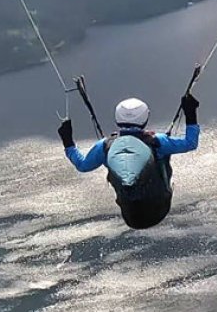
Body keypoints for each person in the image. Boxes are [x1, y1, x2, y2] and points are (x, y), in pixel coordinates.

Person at [58, 93, 199, 229]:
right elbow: (190, 143)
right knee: (160, 157)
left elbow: (82, 165)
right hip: (159, 210)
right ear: (145, 119)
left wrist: (68, 142)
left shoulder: (105, 145)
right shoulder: (157, 141)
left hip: (130, 217)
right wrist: (190, 114)